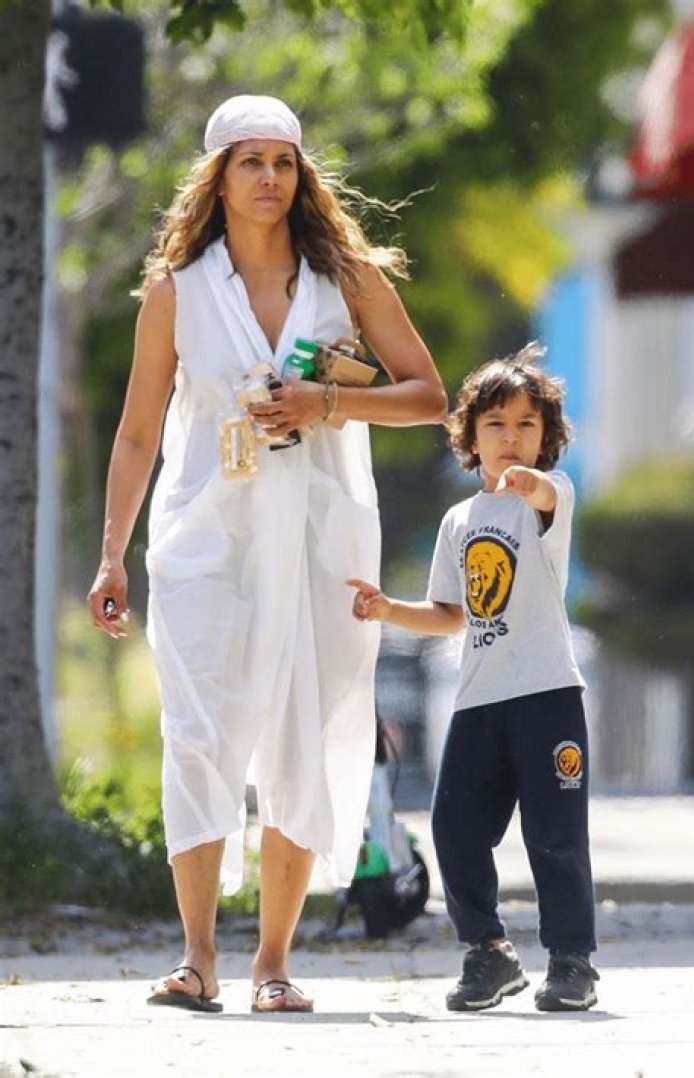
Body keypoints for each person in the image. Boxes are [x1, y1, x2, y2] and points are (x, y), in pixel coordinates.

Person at [87, 93, 446, 1014]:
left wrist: (328, 403)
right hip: (204, 539)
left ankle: (273, 964)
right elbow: (136, 435)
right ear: (218, 178)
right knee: (197, 734)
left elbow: (428, 397)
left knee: (302, 731)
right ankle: (197, 958)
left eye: (284, 162)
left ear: (302, 177)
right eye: (250, 161)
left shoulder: (344, 281)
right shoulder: (176, 293)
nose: (269, 178)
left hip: (320, 542)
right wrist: (112, 557)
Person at [348, 343, 600, 1013]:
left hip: (547, 695)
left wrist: (528, 483)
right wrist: (386, 608)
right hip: (479, 701)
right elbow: (451, 615)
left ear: (545, 436)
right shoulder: (459, 521)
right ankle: (488, 952)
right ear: (470, 435)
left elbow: (542, 492)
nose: (511, 436)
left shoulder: (550, 498)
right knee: (454, 828)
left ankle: (572, 962)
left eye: (525, 424)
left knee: (555, 835)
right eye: (496, 424)